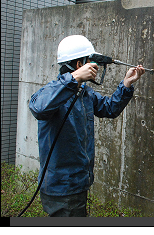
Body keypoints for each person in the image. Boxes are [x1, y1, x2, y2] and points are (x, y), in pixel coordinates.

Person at [29, 35, 145, 217]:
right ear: (79, 65)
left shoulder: (85, 94)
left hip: (78, 183)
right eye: (90, 61)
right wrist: (73, 79)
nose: (96, 67)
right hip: (62, 188)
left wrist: (126, 84)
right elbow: (39, 108)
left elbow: (109, 108)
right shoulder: (52, 92)